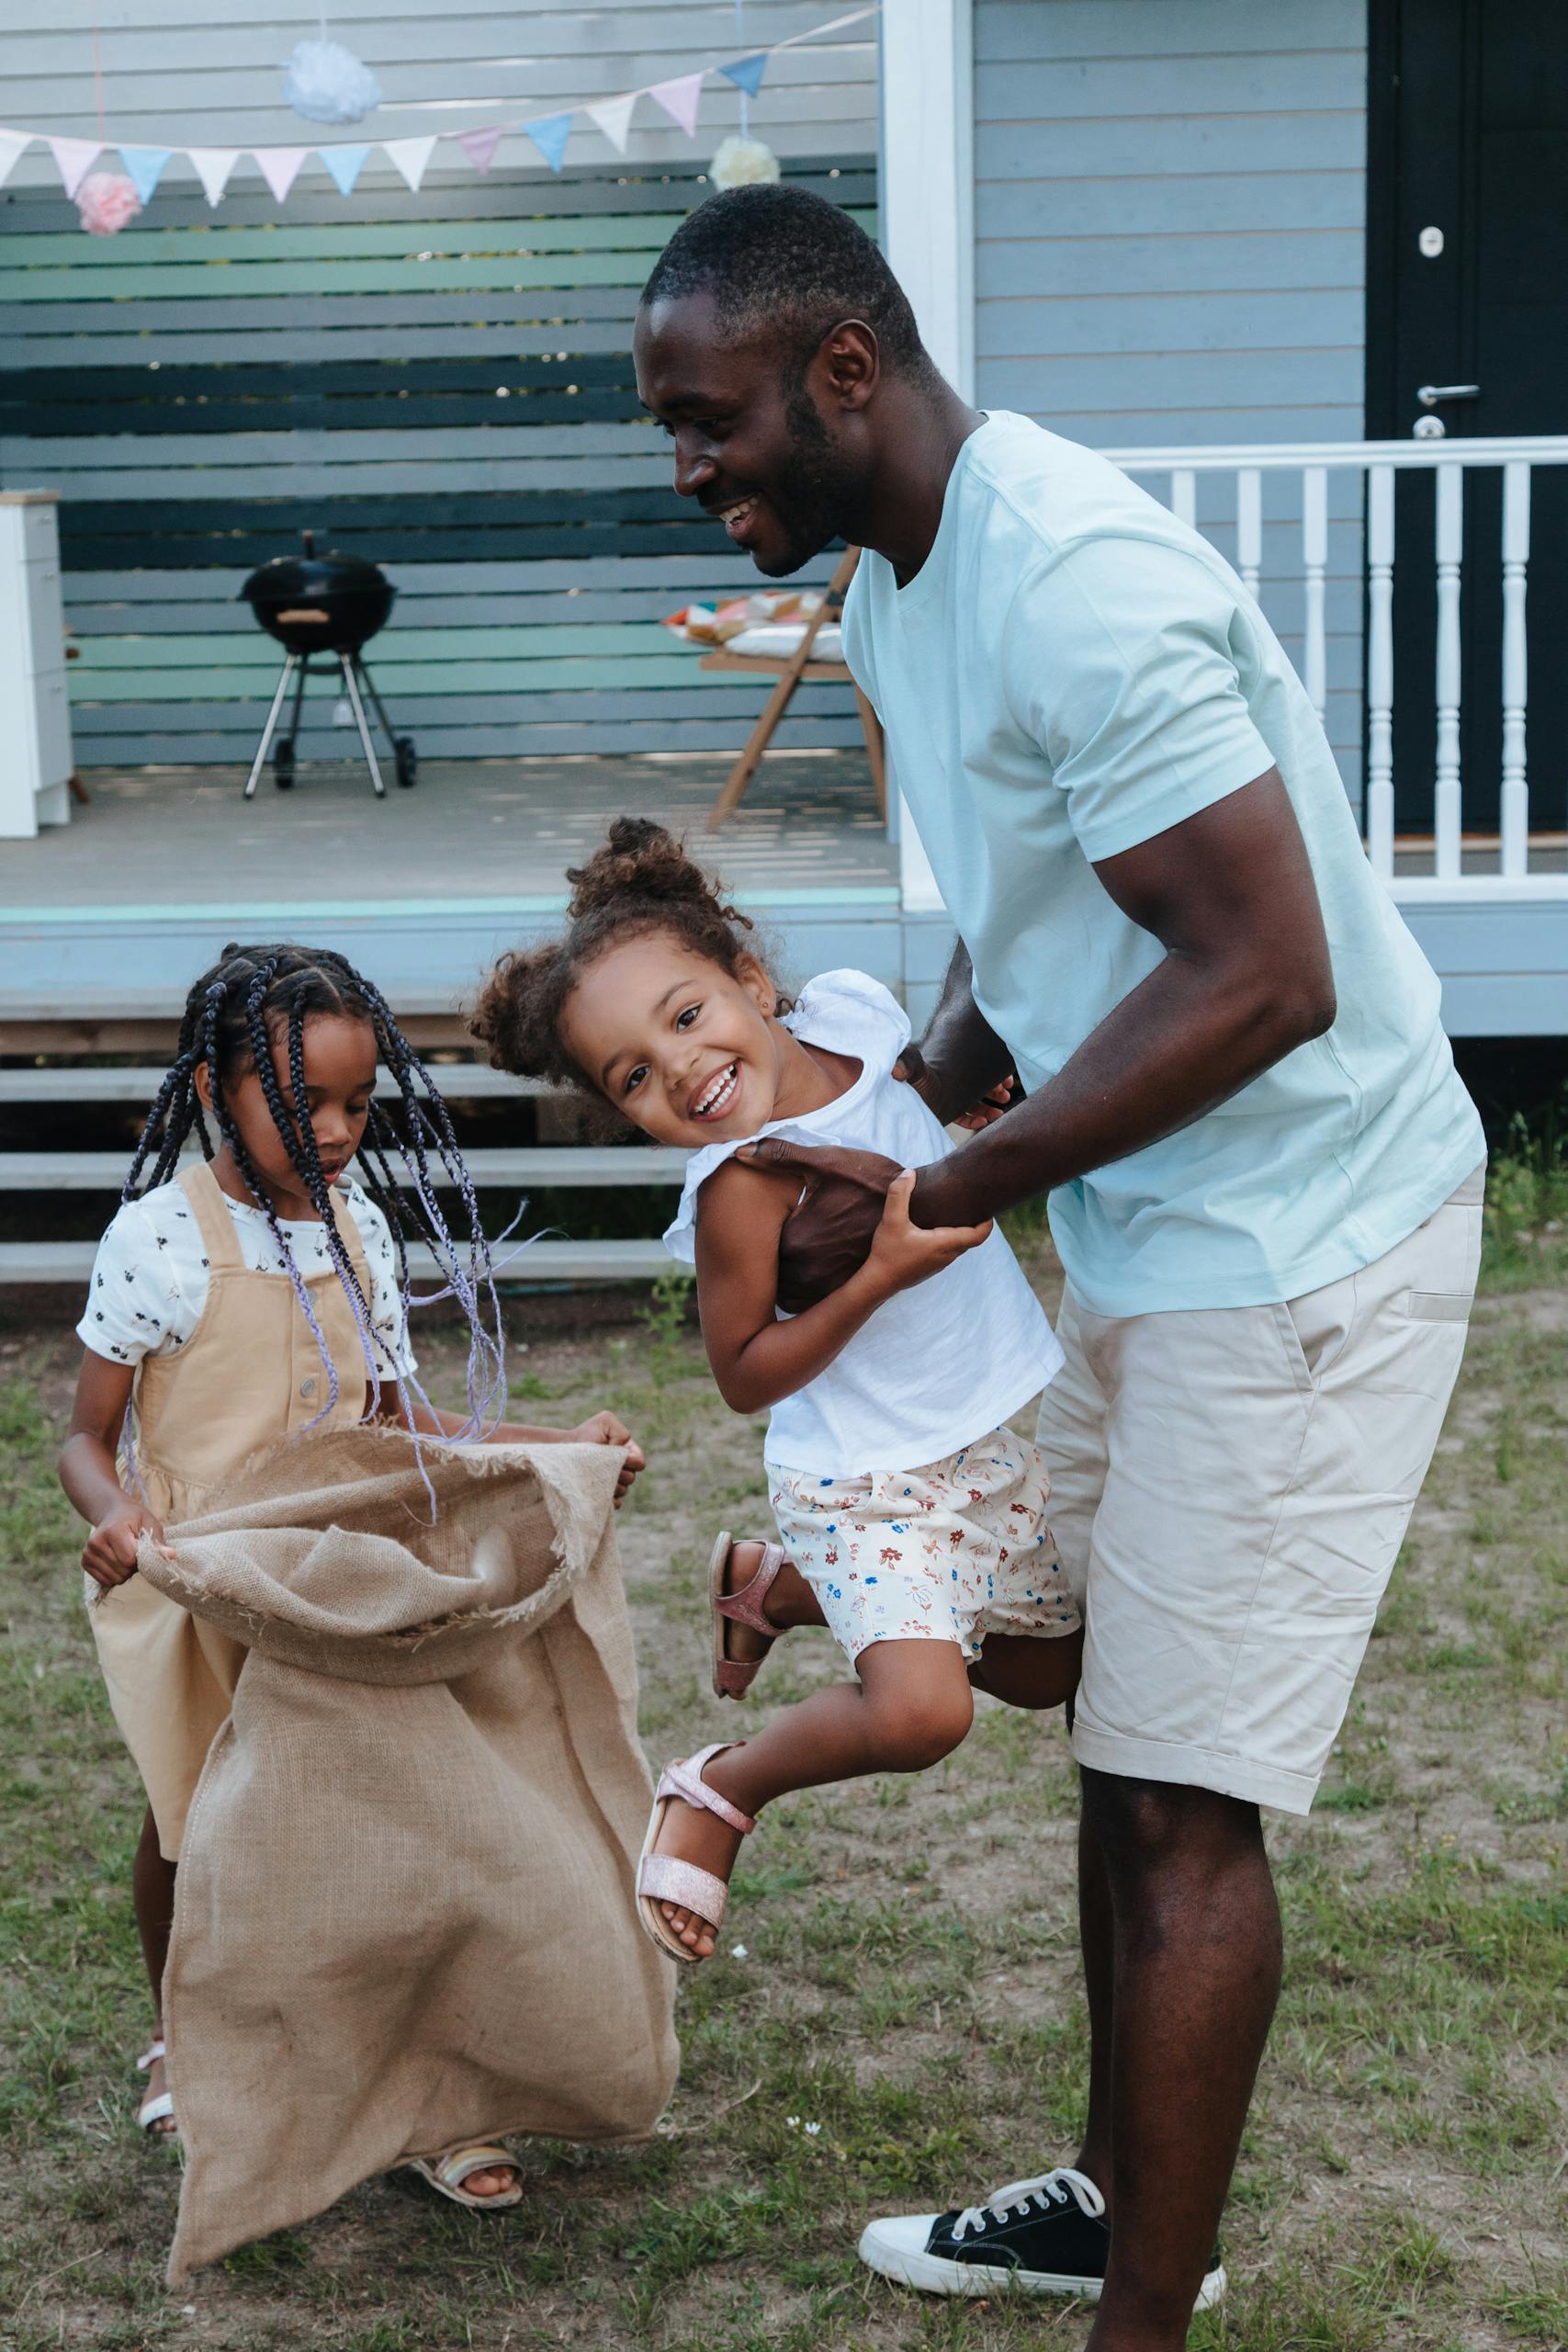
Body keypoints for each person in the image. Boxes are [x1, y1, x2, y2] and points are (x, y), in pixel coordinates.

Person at [631, 184, 1487, 2342]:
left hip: (1292, 1232)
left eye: (704, 418)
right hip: (1139, 1209)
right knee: (1079, 1704)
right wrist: (898, 1106)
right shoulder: (899, 584)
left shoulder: (1073, 580)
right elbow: (1028, 915)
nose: (687, 469)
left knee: (1184, 1801)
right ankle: (1113, 2199)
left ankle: (1139, 2314)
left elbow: (1258, 975)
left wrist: (947, 1189)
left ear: (841, 375)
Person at [58, 942, 643, 2202]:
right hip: (201, 1579)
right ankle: (185, 2035)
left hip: (339, 1572)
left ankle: (425, 2093)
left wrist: (556, 1451)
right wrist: (118, 1525)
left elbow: (400, 1420)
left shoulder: (357, 1226)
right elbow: (81, 1437)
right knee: (197, 1823)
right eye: (302, 1103)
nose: (336, 1131)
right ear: (218, 1093)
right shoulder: (158, 1240)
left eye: (357, 1104)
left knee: (390, 1822)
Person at [471, 819, 1082, 1964]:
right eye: (636, 1077)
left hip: (975, 1438)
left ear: (754, 983)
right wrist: (878, 1276)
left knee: (1053, 1671)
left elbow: (904, 1089)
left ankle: (779, 1591)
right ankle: (716, 1788)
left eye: (689, 1015)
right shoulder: (742, 1188)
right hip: (858, 1475)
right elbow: (743, 1373)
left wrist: (954, 1114)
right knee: (921, 1713)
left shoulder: (853, 1016)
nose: (684, 1070)